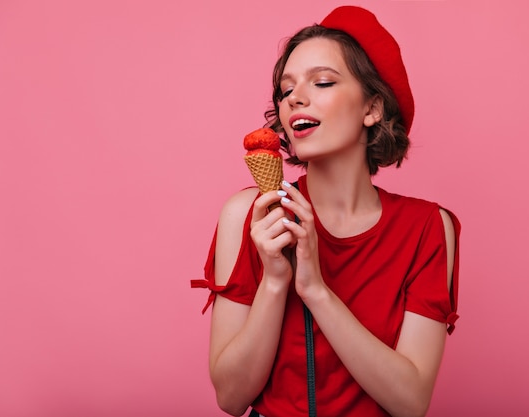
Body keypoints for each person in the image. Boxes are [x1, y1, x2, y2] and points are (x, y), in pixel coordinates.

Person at [191, 6, 461, 417]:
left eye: (321, 82)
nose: (295, 97)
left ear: (372, 108)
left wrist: (316, 289)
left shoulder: (426, 227)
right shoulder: (249, 215)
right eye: (286, 90)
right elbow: (230, 397)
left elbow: (411, 403)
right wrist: (275, 281)